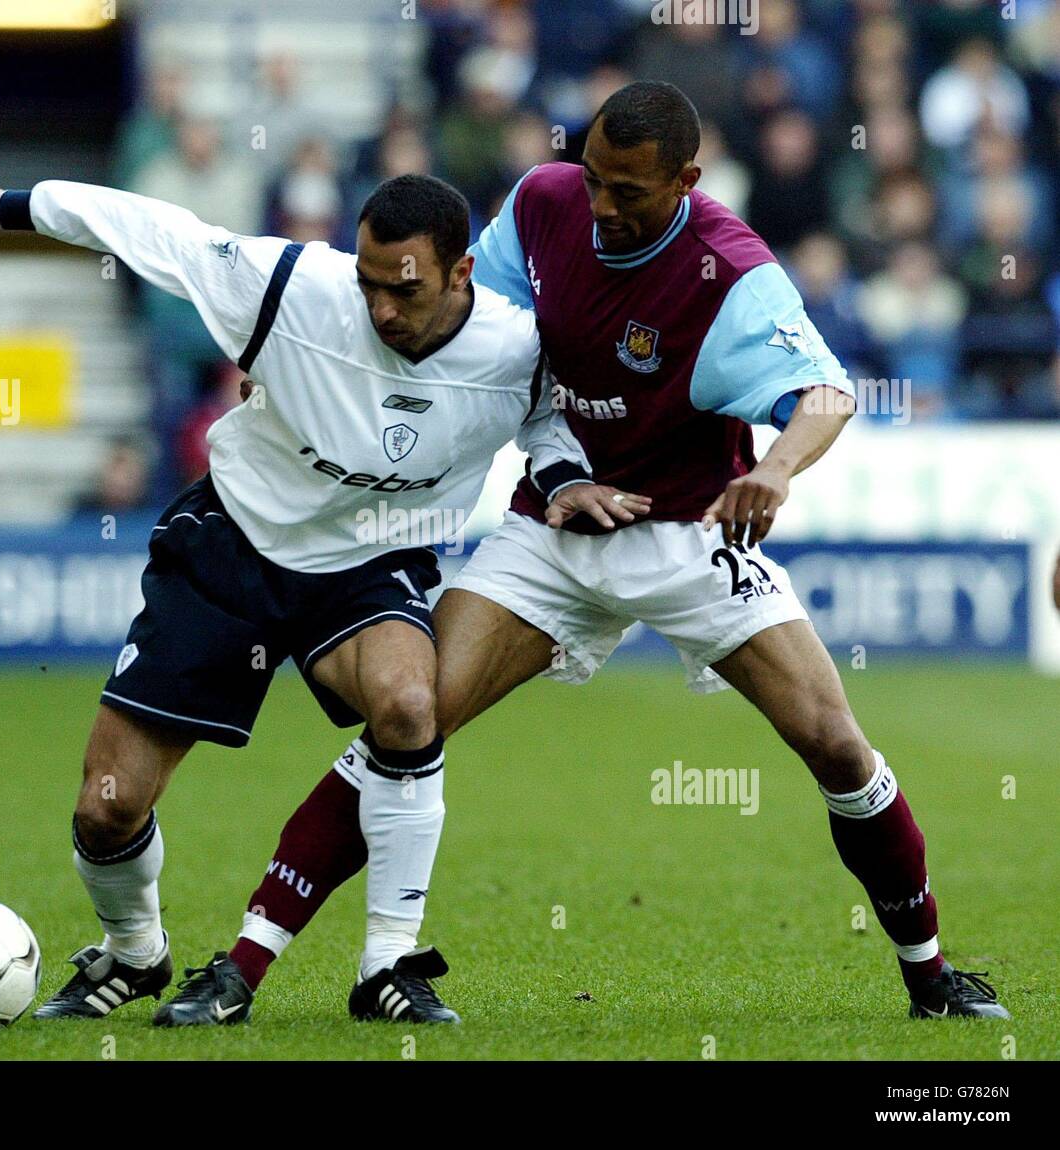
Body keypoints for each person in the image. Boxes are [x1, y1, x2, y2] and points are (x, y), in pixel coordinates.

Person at [201, 81, 1009, 1024]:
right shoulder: (544, 205)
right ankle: (244, 967)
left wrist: (778, 472)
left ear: (687, 180)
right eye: (594, 179)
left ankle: (931, 978)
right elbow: (480, 332)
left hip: (687, 533)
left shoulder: (731, 274)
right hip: (553, 530)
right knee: (407, 719)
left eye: (629, 191)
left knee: (836, 743)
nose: (603, 208)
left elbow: (825, 394)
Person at [0, 172, 644, 1026]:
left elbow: (548, 420)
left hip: (371, 559)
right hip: (235, 542)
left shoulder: (515, 348)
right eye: (369, 282)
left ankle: (388, 964)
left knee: (411, 707)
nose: (381, 307)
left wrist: (561, 478)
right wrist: (10, 205)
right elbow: (159, 230)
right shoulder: (294, 288)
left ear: (461, 275)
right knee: (108, 805)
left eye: (403, 287)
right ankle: (133, 953)